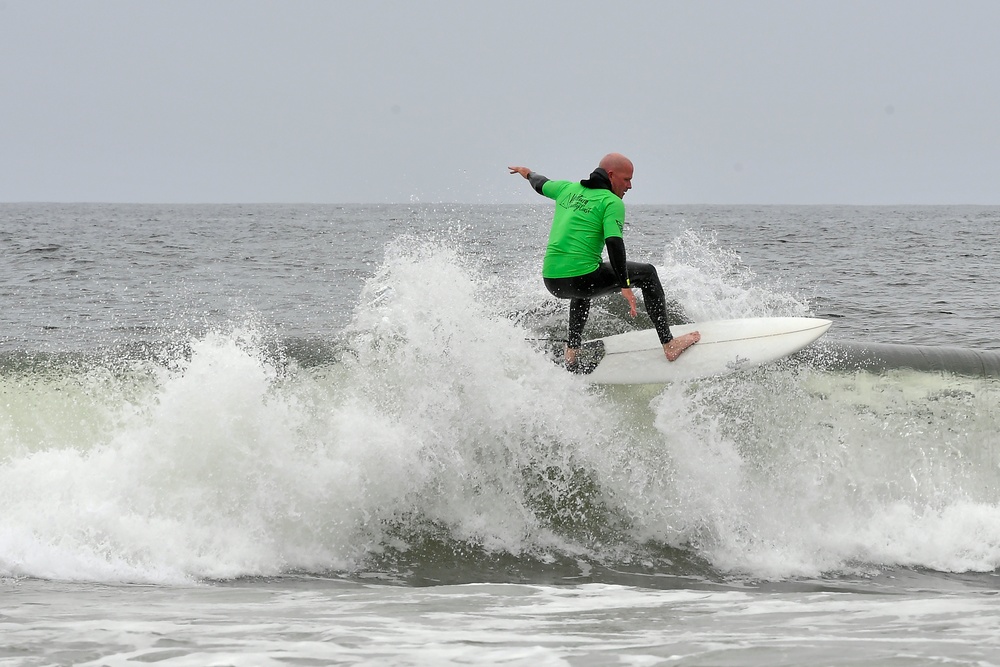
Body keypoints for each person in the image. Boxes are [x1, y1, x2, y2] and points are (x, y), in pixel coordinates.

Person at [509, 153, 700, 370]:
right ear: (611, 175)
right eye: (627, 179)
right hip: (581, 279)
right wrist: (625, 284)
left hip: (552, 281)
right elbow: (614, 244)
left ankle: (572, 351)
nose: (630, 186)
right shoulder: (611, 202)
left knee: (583, 286)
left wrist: (527, 173)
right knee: (648, 273)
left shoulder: (566, 189)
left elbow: (540, 183)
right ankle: (669, 344)